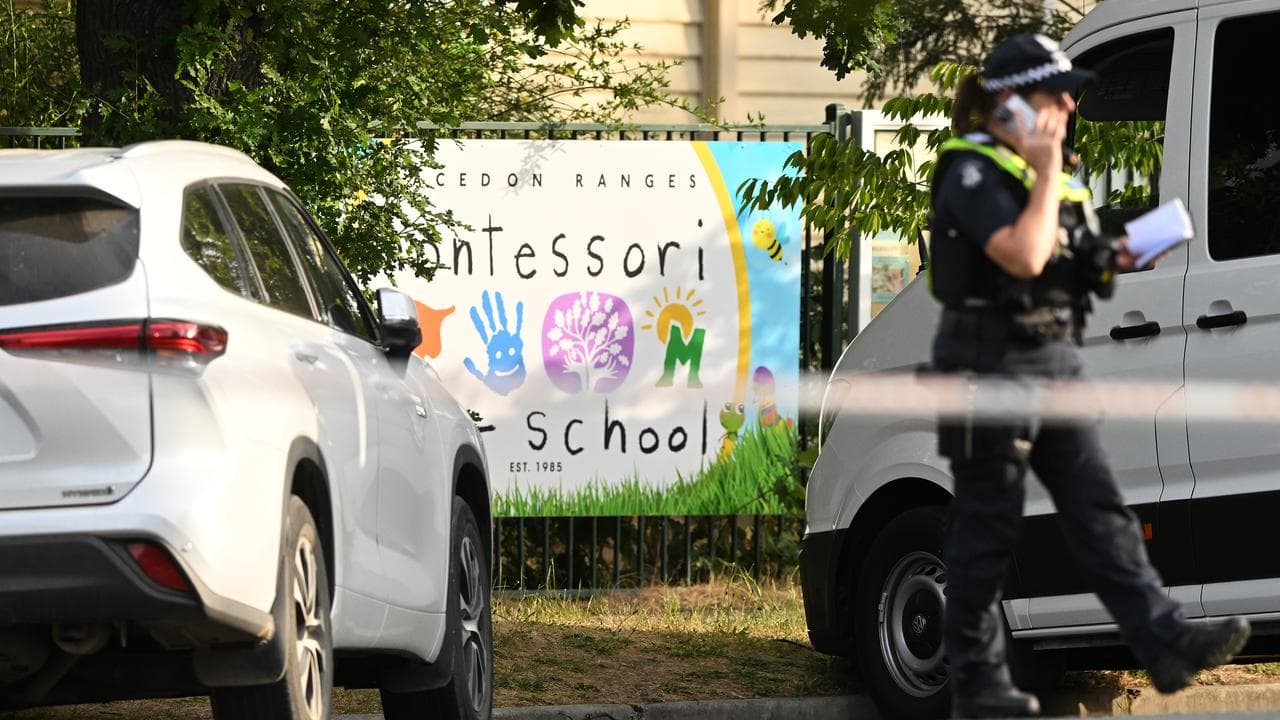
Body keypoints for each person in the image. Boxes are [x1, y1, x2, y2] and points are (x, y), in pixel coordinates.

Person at [928, 33, 1251, 719]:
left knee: (1100, 512)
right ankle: (978, 686)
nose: (1072, 105)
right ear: (1012, 102)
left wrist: (1123, 252)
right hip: (990, 366)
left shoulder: (1050, 170)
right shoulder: (973, 169)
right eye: (1058, 93)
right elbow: (1019, 255)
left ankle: (1164, 643)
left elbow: (1066, 255)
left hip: (1051, 360)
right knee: (987, 528)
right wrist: (1046, 170)